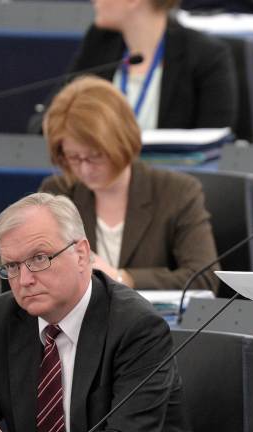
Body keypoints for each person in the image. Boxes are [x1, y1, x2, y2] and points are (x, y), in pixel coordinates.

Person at [0, 193, 189, 432]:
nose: (25, 280)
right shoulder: (1, 317)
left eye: (39, 258)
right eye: (12, 266)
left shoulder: (137, 327)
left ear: (81, 254)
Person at [40, 76, 219, 292]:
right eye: (74, 157)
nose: (84, 169)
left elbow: (204, 278)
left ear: (122, 141)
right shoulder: (58, 192)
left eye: (95, 156)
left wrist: (121, 278)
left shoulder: (177, 192)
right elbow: (6, 270)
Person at [31, 0, 237, 132]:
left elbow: (214, 145)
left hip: (170, 190)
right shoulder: (100, 41)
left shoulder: (205, 56)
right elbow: (46, 121)